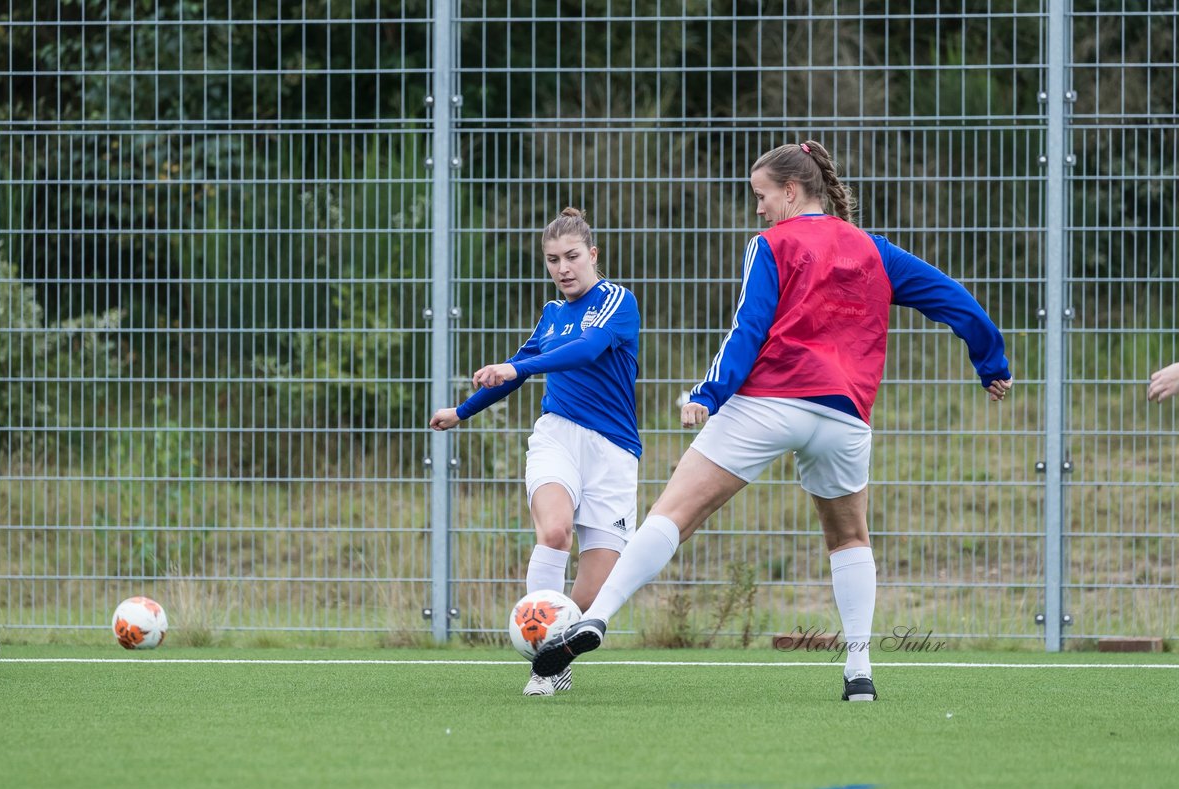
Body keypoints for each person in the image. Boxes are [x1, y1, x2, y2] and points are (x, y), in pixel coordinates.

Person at [533, 141, 1013, 701]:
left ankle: (598, 618)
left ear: (790, 192)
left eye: (762, 196)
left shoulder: (770, 244)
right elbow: (954, 299)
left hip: (769, 400)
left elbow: (748, 329)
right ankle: (859, 671)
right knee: (849, 536)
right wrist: (991, 361)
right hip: (844, 414)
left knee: (674, 512)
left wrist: (709, 393)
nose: (758, 208)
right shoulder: (873, 249)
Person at [430, 207, 641, 697]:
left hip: (613, 452)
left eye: (571, 257)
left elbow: (586, 350)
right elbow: (520, 371)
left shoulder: (616, 301)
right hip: (557, 437)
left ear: (593, 255)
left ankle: (557, 660)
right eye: (552, 260)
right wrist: (462, 411)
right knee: (554, 530)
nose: (563, 268)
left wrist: (514, 366)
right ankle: (539, 664)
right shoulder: (550, 315)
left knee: (590, 599)